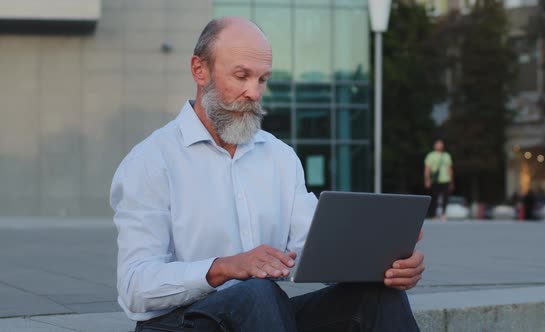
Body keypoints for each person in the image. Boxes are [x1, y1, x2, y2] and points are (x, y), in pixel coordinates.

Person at [110, 17, 425, 331]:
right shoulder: (151, 160)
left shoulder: (279, 157)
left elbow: (312, 248)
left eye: (262, 79)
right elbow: (135, 288)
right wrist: (224, 268)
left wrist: (382, 262)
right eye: (242, 76)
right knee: (259, 294)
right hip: (180, 323)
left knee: (379, 297)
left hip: (264, 317)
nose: (254, 92)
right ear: (199, 70)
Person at [424, 139, 454, 220]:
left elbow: (449, 169)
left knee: (445, 198)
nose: (439, 146)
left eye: (441, 144)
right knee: (434, 198)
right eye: (438, 144)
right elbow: (427, 168)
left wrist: (451, 181)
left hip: (445, 179)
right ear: (434, 146)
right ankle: (433, 214)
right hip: (435, 180)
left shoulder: (446, 155)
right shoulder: (431, 155)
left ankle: (443, 214)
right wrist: (427, 179)